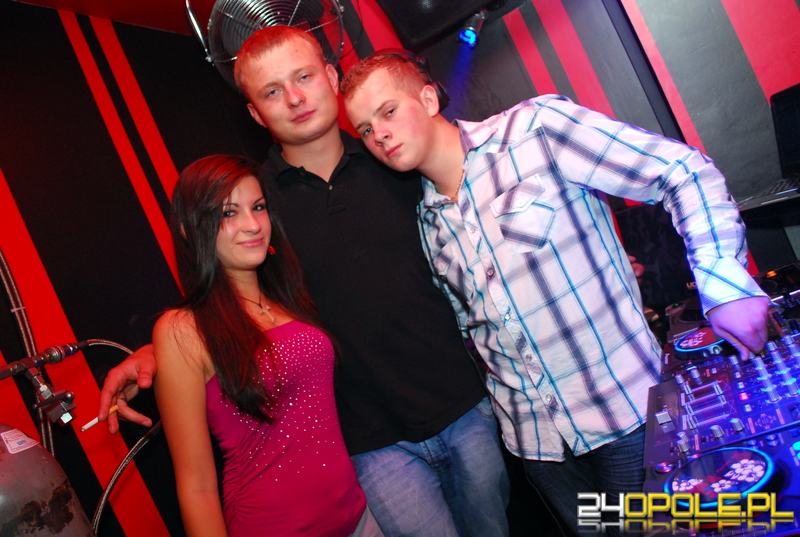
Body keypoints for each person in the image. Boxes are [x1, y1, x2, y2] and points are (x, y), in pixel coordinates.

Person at [97, 27, 510, 537]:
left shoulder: (396, 158)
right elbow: (237, 304)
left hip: (464, 405)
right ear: (255, 114)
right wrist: (157, 354)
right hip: (369, 443)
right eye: (273, 91)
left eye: (304, 77)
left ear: (332, 78)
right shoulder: (257, 206)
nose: (294, 98)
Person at [340, 52, 771, 535]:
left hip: (629, 418)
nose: (379, 134)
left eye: (388, 111)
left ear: (427, 98)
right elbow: (474, 331)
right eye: (364, 129)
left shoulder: (535, 131)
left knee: (667, 530)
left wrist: (723, 282)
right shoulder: (426, 221)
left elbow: (681, 170)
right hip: (540, 450)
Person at [152, 154, 376, 536]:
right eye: (229, 213)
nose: (253, 225)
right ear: (191, 229)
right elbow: (196, 486)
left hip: (358, 519)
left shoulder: (288, 298)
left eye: (258, 207)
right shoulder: (183, 330)